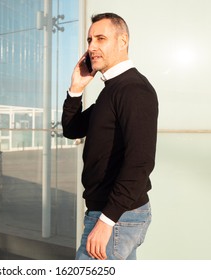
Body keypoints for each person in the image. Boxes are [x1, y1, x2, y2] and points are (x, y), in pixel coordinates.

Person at [62, 12, 158, 260]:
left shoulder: (133, 89)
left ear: (122, 41)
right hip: (112, 214)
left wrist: (106, 221)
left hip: (115, 216)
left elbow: (140, 163)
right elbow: (72, 129)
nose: (92, 47)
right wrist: (76, 89)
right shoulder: (111, 90)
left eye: (100, 38)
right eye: (89, 40)